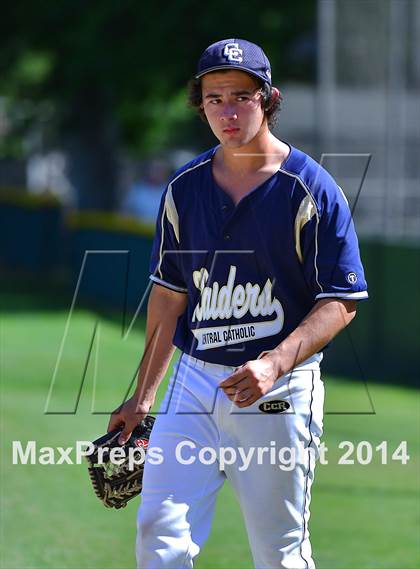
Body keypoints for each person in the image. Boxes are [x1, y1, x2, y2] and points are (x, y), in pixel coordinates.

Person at [108, 38, 368, 569]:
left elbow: (341, 301)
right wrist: (142, 396)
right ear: (200, 104)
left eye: (241, 96)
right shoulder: (184, 189)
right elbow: (169, 295)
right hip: (196, 378)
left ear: (267, 98)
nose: (227, 111)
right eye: (214, 98)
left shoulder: (311, 189)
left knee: (279, 553)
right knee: (159, 534)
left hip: (279, 387)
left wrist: (275, 362)